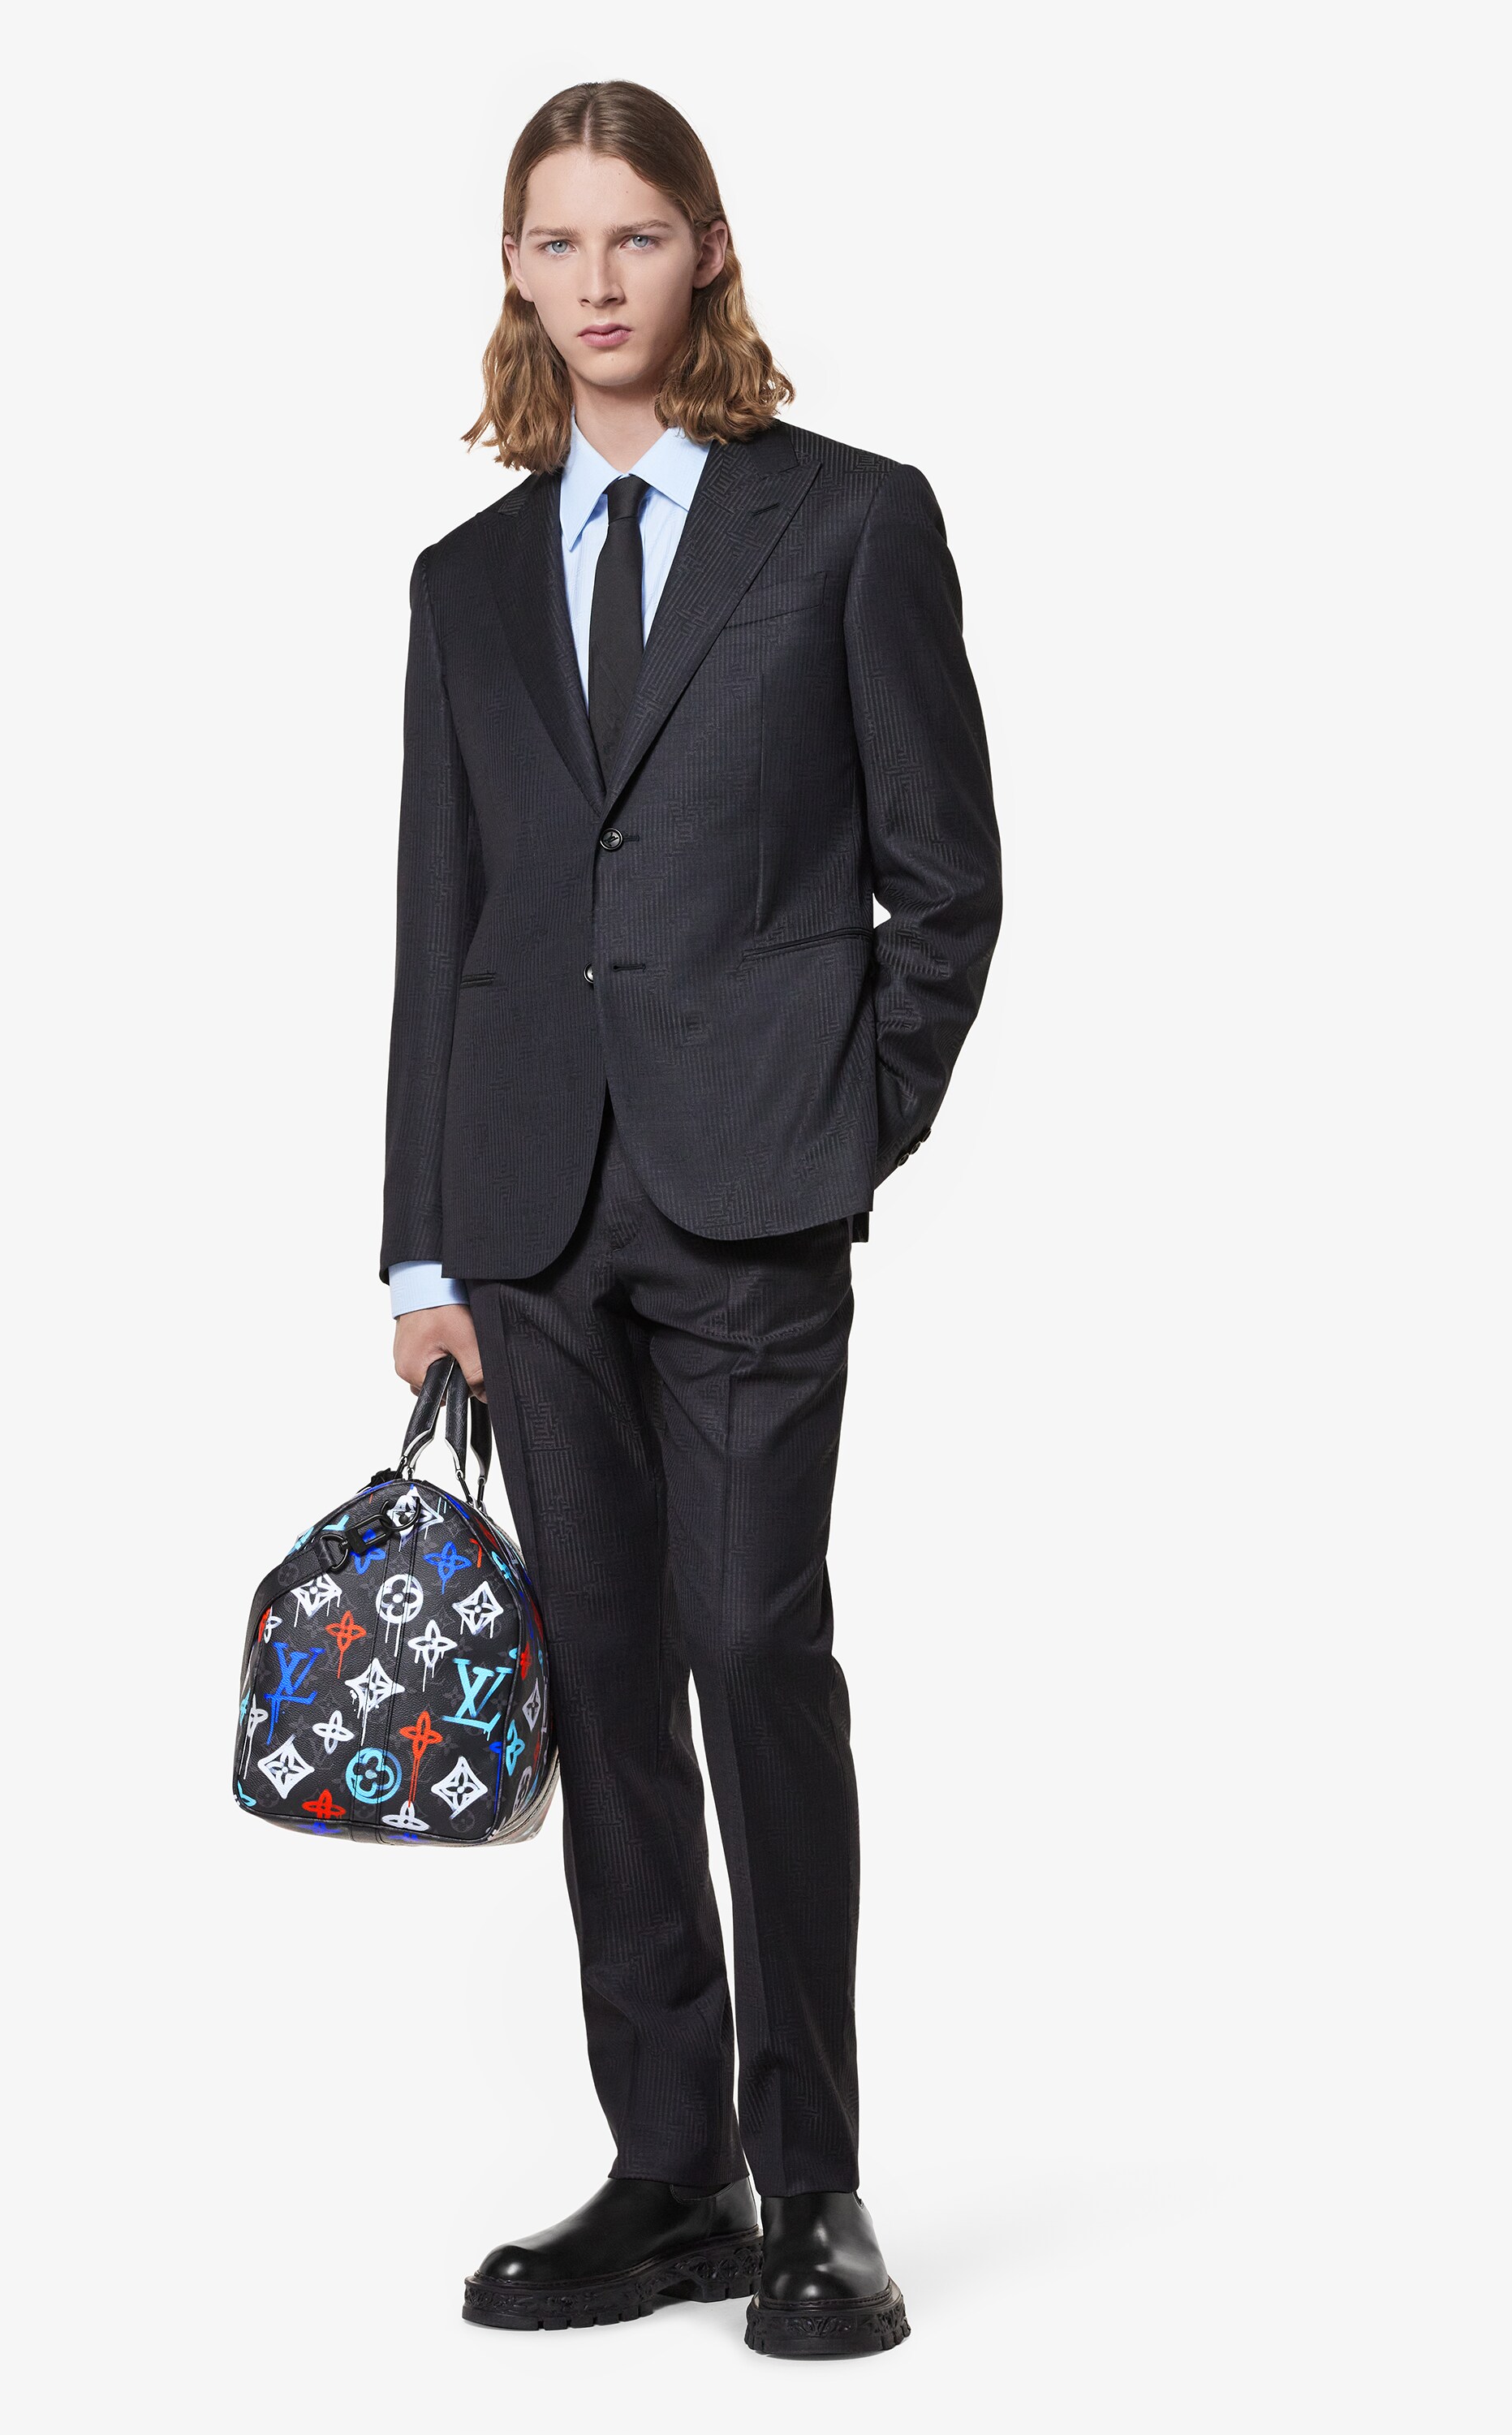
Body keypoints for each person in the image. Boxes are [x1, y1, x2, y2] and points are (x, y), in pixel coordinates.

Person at [381, 79, 1000, 2360]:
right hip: (529, 1217)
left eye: (635, 235)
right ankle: (673, 2173)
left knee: (754, 1651)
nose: (599, 281)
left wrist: (844, 1123)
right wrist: (420, 1246)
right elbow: (443, 920)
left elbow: (947, 879)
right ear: (515, 274)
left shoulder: (846, 525)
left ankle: (815, 2183)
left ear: (707, 250)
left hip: (752, 1202)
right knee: (606, 1684)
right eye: (556, 243)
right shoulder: (462, 584)